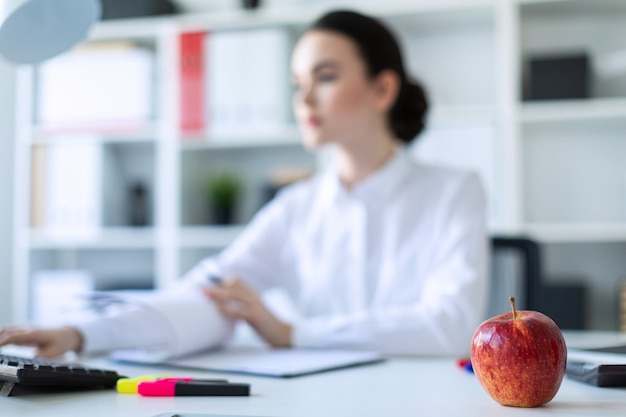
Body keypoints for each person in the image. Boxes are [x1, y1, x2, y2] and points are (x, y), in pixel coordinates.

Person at [0, 10, 487, 358]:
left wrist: (293, 333)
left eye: (326, 77)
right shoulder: (297, 206)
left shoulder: (455, 191)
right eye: (298, 84)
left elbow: (450, 325)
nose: (305, 99)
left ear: (383, 88)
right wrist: (79, 333)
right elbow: (208, 292)